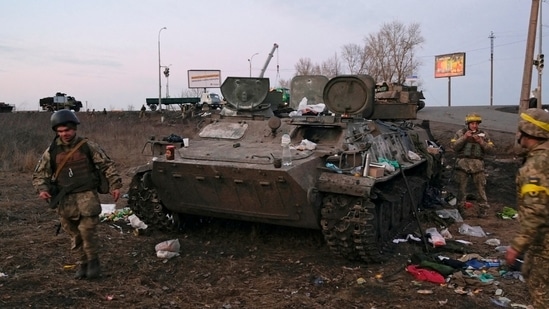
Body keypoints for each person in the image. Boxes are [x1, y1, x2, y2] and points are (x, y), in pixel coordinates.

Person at [32, 110, 122, 280]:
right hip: (65, 201)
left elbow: (107, 166)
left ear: (74, 129)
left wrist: (115, 185)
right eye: (60, 131)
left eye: (67, 130)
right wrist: (42, 189)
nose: (64, 134)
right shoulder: (51, 151)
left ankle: (93, 262)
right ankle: (82, 263)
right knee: (74, 234)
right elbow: (40, 174)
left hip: (87, 196)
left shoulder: (88, 146)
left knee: (87, 231)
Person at [506, 108, 549, 308]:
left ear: (527, 132)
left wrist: (517, 246)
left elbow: (536, 212)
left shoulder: (536, 166)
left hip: (544, 245)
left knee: (542, 295)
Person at [450, 113, 495, 218]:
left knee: (481, 189)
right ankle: (461, 210)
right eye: (472, 123)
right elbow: (454, 147)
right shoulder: (460, 133)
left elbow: (491, 150)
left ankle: (483, 210)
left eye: (476, 123)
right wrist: (464, 138)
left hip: (478, 165)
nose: (474, 125)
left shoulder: (484, 135)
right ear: (468, 124)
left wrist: (481, 142)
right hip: (463, 165)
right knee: (461, 189)